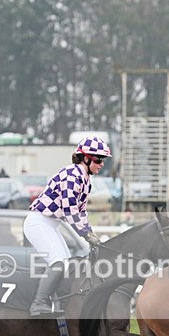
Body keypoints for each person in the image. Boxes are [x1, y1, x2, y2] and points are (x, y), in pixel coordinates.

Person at [23, 135, 110, 316]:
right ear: (86, 158)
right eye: (99, 159)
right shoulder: (72, 175)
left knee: (67, 264)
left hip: (50, 224)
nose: (102, 164)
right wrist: (86, 234)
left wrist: (90, 233)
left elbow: (82, 212)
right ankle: (38, 303)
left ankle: (57, 303)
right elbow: (70, 210)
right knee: (58, 262)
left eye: (103, 160)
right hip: (38, 222)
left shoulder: (86, 179)